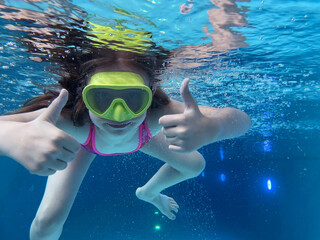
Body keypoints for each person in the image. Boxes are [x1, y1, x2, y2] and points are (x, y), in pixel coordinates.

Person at [0, 14, 251, 238]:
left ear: (150, 96)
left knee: (195, 165)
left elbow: (242, 120)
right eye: (101, 98)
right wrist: (14, 139)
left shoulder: (156, 113)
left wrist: (212, 127)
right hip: (84, 143)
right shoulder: (75, 122)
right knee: (46, 223)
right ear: (83, 95)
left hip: (141, 134)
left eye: (133, 99)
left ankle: (148, 193)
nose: (119, 115)